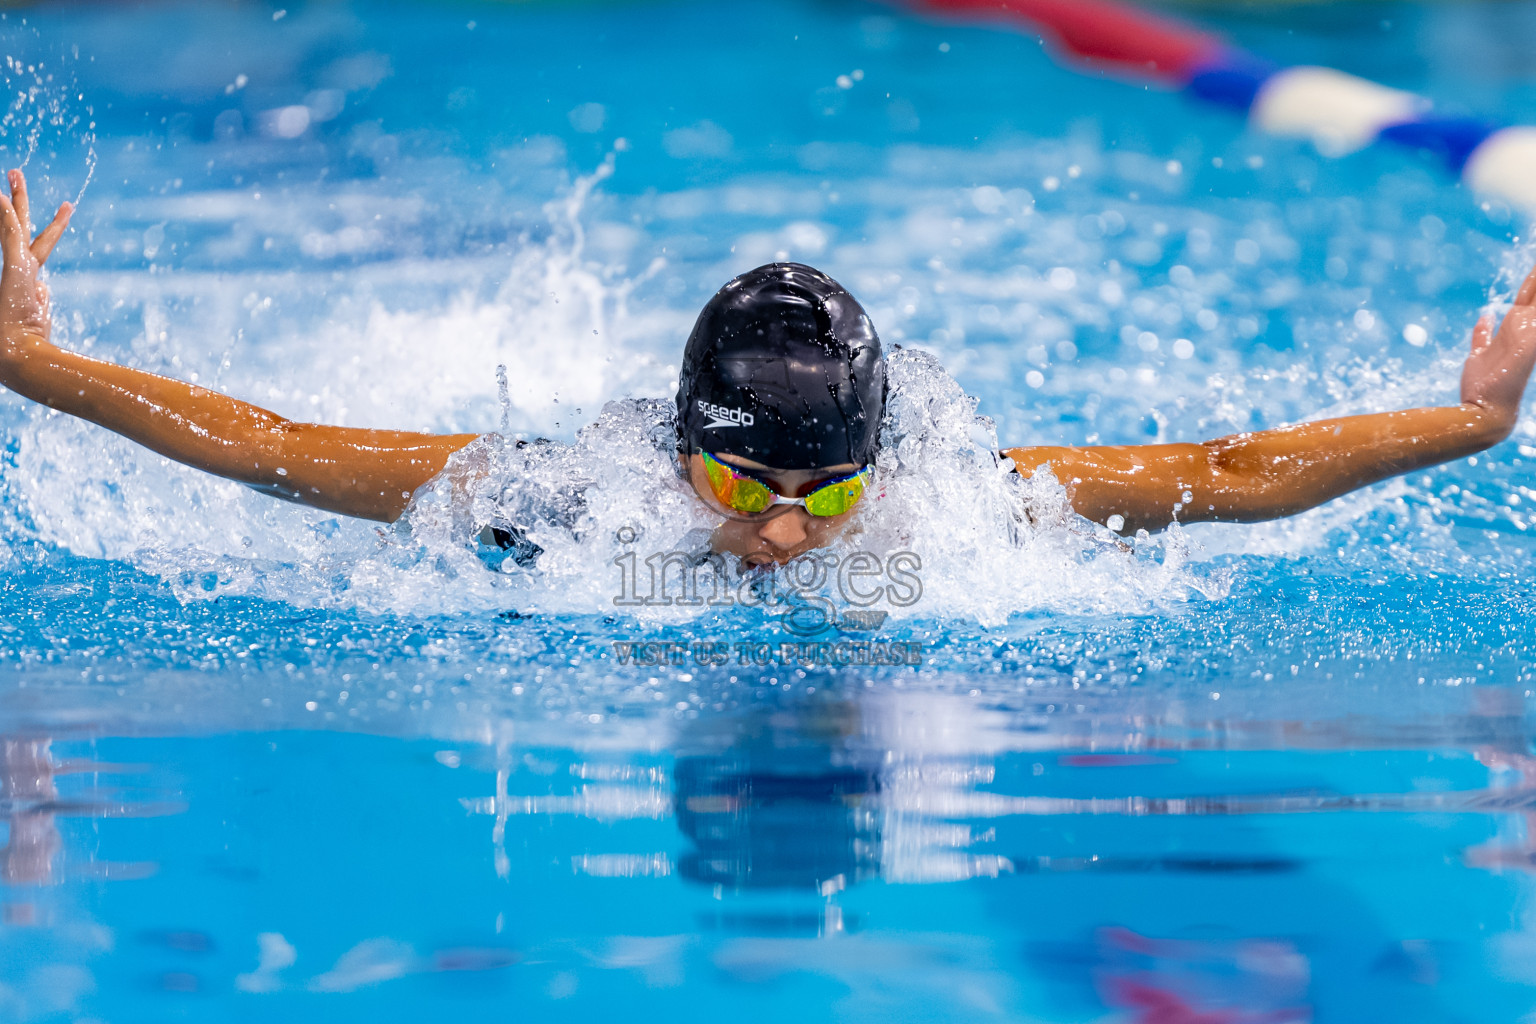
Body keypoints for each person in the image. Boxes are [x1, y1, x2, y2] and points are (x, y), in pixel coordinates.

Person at [2, 169, 1533, 569]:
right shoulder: (571, 502)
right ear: (682, 448)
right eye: (742, 478)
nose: (785, 527)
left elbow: (1225, 476)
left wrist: (1474, 426)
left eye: (828, 488)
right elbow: (272, 443)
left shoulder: (958, 515)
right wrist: (30, 363)